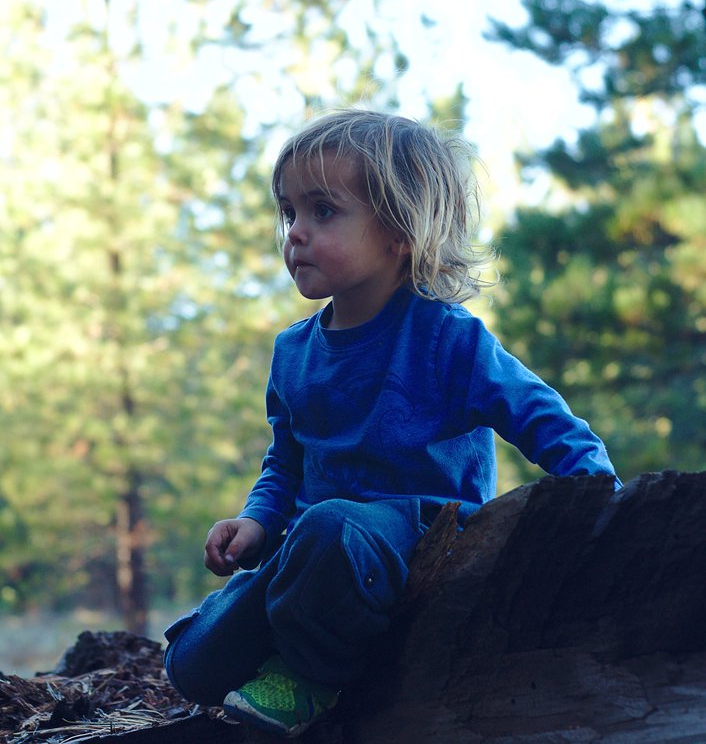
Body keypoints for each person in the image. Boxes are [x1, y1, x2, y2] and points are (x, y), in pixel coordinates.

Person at [162, 109, 618, 738]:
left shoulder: (446, 338)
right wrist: (256, 523)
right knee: (190, 662)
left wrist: (602, 505)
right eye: (288, 212)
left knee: (330, 529)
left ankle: (312, 678)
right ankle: (292, 626)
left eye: (323, 210)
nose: (295, 232)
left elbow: (547, 421)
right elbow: (285, 464)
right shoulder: (293, 353)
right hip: (313, 549)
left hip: (420, 540)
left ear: (401, 230)